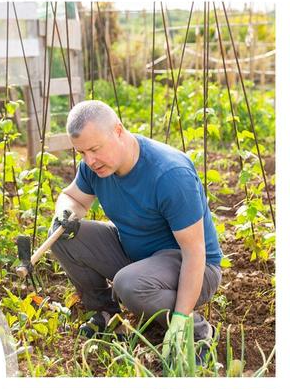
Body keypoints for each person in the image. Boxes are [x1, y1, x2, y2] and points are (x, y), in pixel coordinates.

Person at [48, 100, 223, 371]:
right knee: (61, 233)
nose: (89, 161)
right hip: (136, 255)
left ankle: (196, 333)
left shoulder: (169, 174)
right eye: (82, 153)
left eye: (95, 149)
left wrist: (178, 319)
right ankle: (106, 314)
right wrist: (66, 213)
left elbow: (195, 253)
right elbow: (72, 198)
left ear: (118, 131)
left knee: (129, 284)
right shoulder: (95, 167)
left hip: (194, 266)